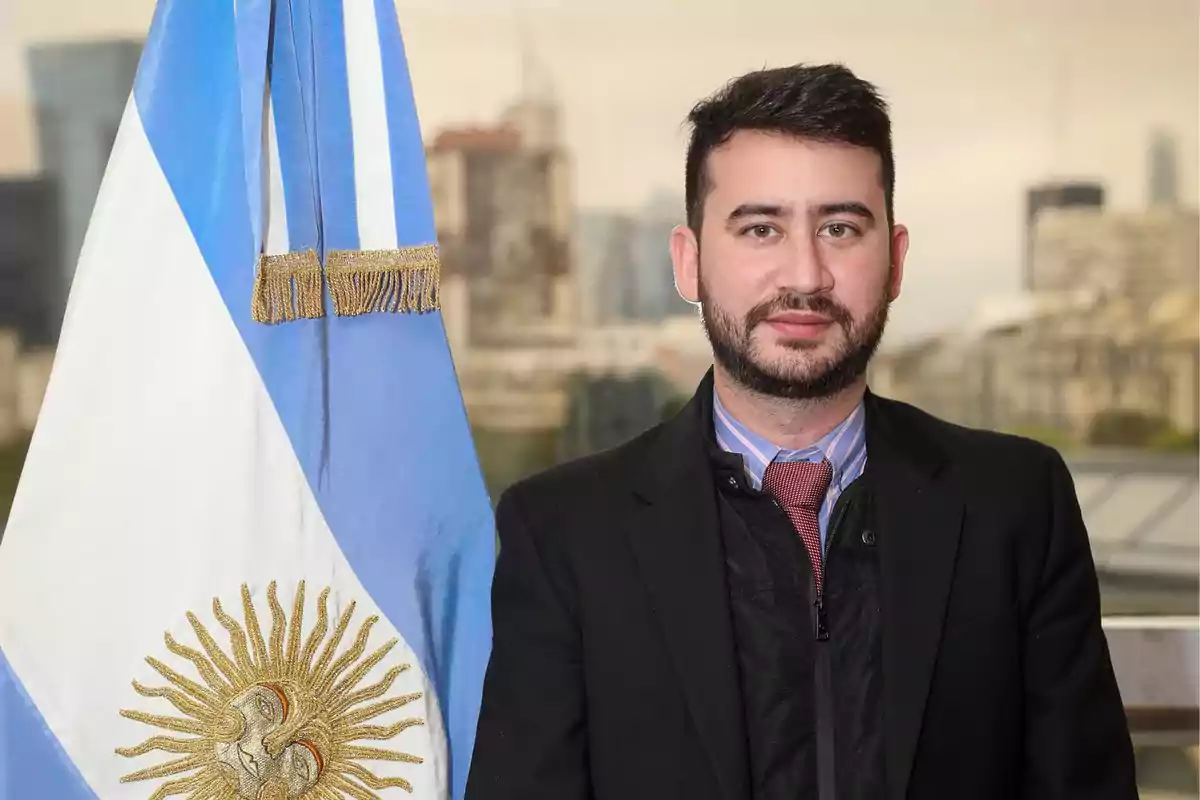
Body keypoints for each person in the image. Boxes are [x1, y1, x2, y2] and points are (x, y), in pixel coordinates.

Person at [464, 63, 1137, 800]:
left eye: (841, 228)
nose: (806, 275)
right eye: (761, 228)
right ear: (689, 262)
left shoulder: (1015, 506)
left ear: (896, 260)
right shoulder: (565, 533)